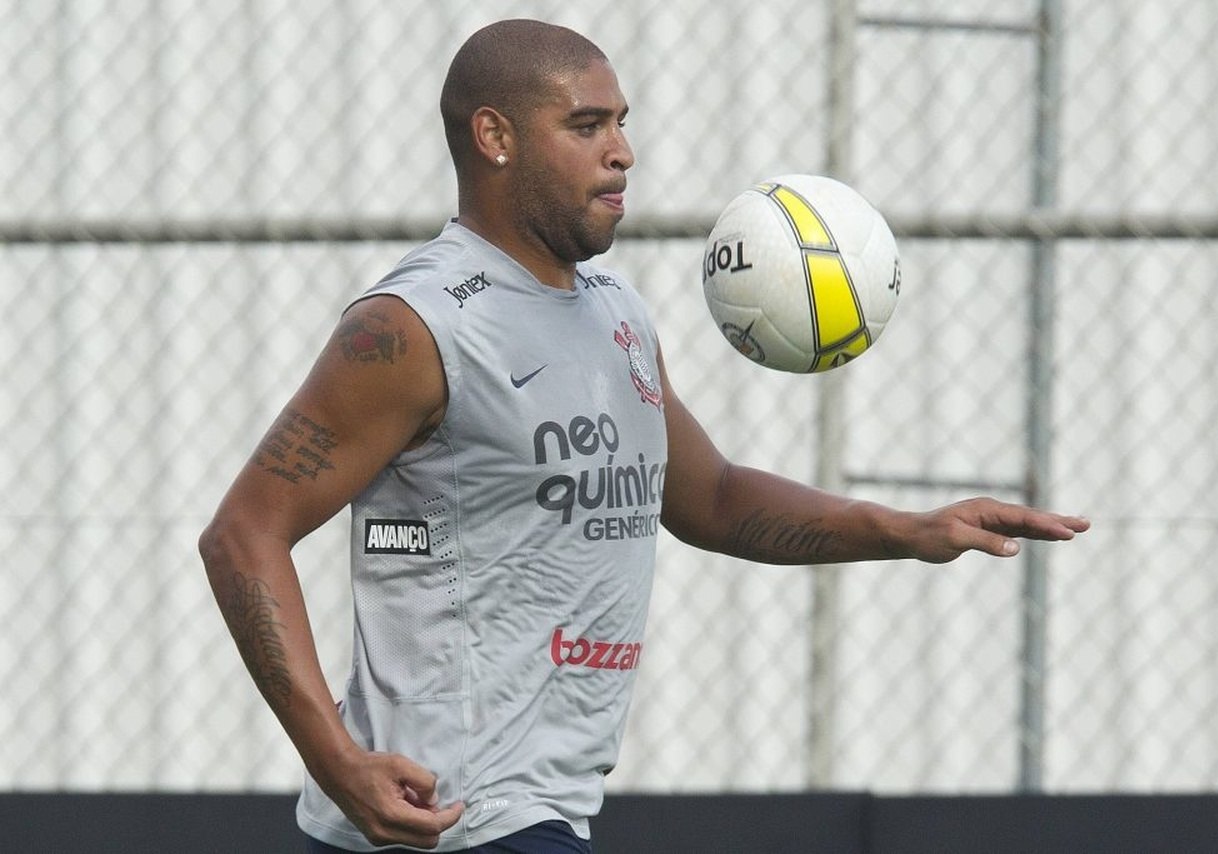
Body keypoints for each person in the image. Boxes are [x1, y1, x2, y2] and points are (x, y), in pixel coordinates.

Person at [198, 17, 1089, 854]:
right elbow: (244, 534)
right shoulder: (415, 326)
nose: (622, 152)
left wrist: (907, 530)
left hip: (540, 807)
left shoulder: (614, 312)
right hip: (454, 815)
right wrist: (336, 760)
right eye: (586, 126)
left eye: (621, 123)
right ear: (495, 137)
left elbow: (711, 498)